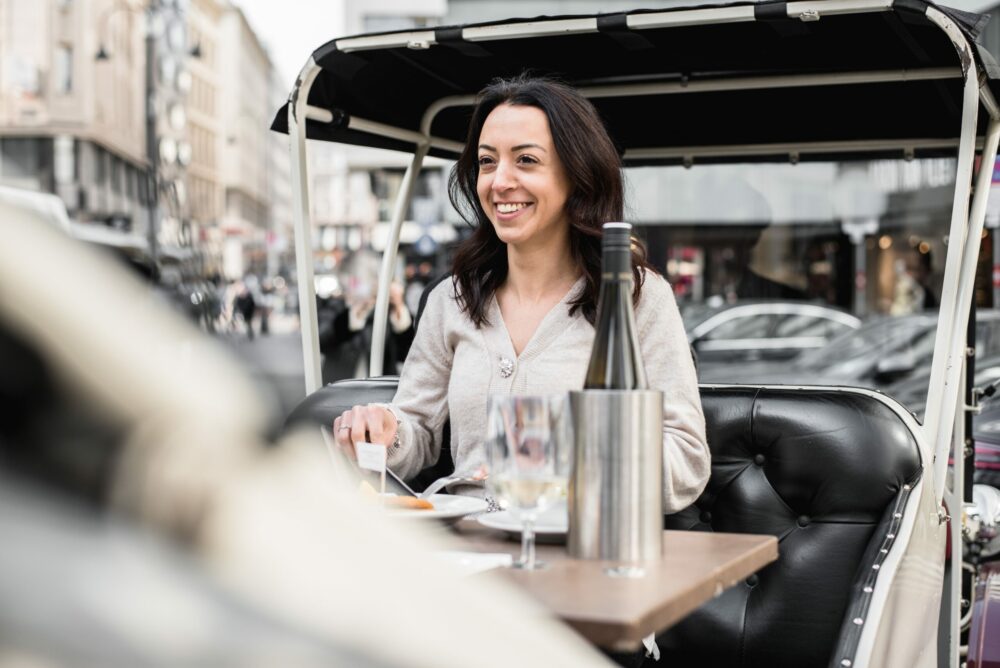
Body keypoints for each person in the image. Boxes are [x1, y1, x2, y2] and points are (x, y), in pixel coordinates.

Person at [332, 74, 709, 513]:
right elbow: (417, 429)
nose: (499, 182)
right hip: (464, 554)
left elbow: (686, 459)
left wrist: (572, 455)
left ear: (577, 175)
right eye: (487, 162)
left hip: (580, 555)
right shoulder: (451, 299)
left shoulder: (637, 297)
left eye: (526, 160)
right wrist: (383, 429)